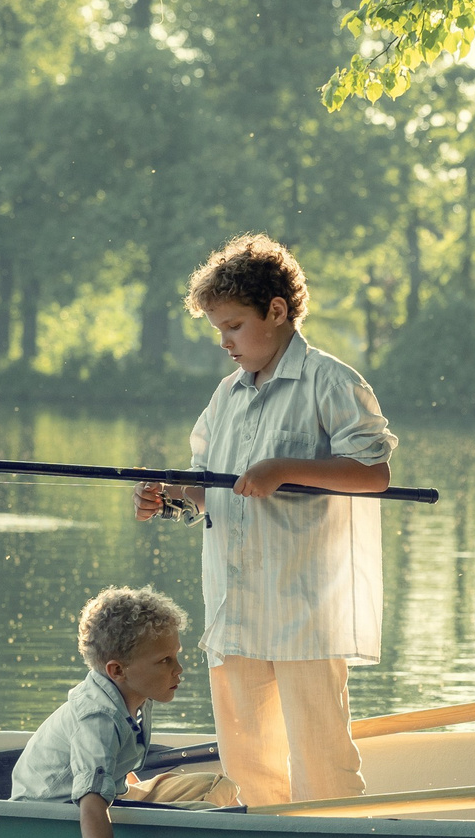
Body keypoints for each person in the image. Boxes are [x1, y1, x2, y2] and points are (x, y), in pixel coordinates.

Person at [135, 234, 398, 807]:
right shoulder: (225, 396)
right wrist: (170, 496)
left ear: (276, 312)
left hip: (305, 608)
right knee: (247, 763)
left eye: (232, 326)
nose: (224, 342)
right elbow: (207, 488)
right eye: (218, 329)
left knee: (321, 757)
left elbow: (373, 475)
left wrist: (284, 468)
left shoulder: (332, 381)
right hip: (235, 609)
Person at [12, 585, 190, 838]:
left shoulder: (137, 692)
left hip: (94, 799)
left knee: (214, 786)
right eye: (165, 660)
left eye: (176, 655)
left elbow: (115, 762)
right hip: (51, 815)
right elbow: (92, 808)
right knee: (200, 807)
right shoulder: (97, 718)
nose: (179, 669)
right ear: (117, 670)